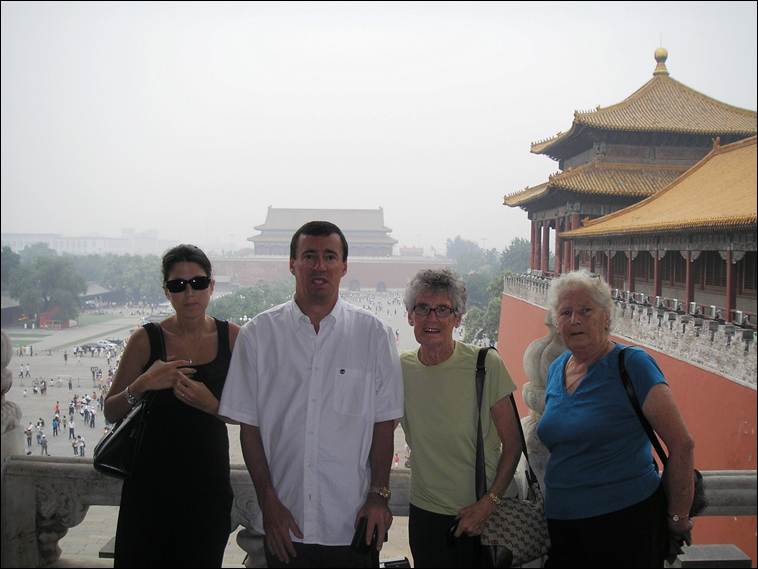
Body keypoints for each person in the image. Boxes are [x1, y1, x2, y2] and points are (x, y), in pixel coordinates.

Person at [219, 221, 403, 568]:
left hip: (353, 522)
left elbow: (384, 422)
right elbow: (250, 428)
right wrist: (268, 501)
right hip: (284, 523)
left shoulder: (373, 335)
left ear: (344, 266)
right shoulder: (258, 335)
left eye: (330, 256)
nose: (320, 266)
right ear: (292, 264)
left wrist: (379, 496)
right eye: (309, 256)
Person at [537, 270, 695, 568]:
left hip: (626, 522)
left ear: (606, 317)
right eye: (566, 312)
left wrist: (678, 519)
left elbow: (682, 444)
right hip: (563, 523)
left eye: (585, 310)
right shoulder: (557, 368)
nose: (574, 320)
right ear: (556, 322)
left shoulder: (633, 364)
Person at [104, 244, 240, 568]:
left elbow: (256, 411)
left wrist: (212, 405)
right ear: (167, 291)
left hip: (207, 484)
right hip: (150, 484)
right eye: (178, 285)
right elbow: (111, 411)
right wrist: (143, 384)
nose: (189, 293)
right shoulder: (146, 339)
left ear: (212, 286)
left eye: (198, 283)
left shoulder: (233, 337)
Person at [400, 269, 522, 568]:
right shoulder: (400, 369)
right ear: (410, 316)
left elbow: (513, 444)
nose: (432, 318)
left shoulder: (485, 364)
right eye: (422, 308)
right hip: (425, 513)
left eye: (443, 309)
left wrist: (489, 503)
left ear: (457, 318)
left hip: (479, 513)